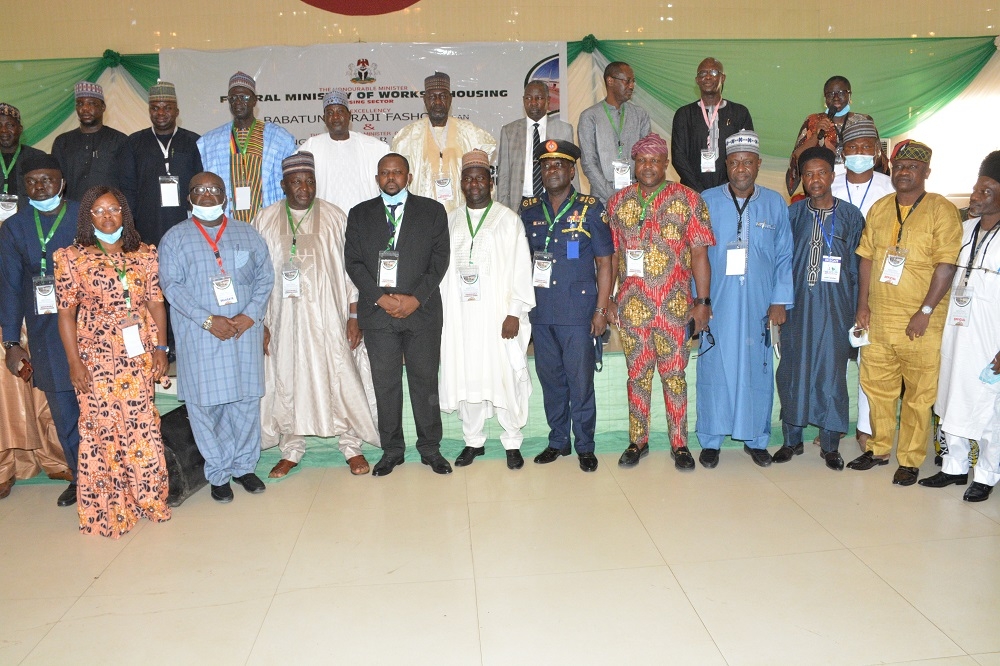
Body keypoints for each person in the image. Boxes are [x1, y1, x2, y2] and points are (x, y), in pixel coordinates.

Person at [54, 186, 171, 537]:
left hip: (137, 356)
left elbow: (155, 304)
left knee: (141, 426)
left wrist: (161, 350)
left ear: (125, 214)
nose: (108, 216)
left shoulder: (145, 254)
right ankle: (110, 508)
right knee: (102, 427)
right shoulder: (71, 258)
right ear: (88, 216)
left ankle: (148, 499)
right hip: (96, 356)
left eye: (115, 209)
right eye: (100, 211)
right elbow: (65, 315)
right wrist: (75, 363)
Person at [255, 152, 380, 478]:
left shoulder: (336, 216)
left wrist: (354, 316)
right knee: (287, 377)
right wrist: (261, 322)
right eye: (296, 182)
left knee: (340, 376)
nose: (304, 188)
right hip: (284, 321)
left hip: (331, 318)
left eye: (309, 181)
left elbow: (354, 271)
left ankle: (351, 446)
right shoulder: (266, 219)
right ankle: (291, 449)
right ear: (283, 185)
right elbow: (256, 276)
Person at [849, 140, 962, 485]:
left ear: (927, 172)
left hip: (921, 321)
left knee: (918, 393)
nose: (903, 173)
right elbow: (866, 257)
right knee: (876, 386)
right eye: (898, 166)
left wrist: (925, 310)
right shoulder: (881, 208)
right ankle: (879, 448)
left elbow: (946, 264)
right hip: (880, 317)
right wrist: (862, 305)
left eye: (912, 168)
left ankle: (910, 459)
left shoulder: (941, 210)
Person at [158, 172, 274, 502]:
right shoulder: (175, 238)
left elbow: (265, 278)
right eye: (200, 190)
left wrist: (249, 315)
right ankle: (218, 473)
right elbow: (172, 287)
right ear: (189, 197)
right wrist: (208, 320)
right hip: (201, 337)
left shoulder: (247, 234)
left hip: (242, 334)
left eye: (215, 190)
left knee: (245, 404)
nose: (208, 195)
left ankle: (244, 467)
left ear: (226, 196)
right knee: (204, 408)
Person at [606, 133, 714, 471]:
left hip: (674, 307)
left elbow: (699, 253)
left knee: (674, 376)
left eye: (655, 160)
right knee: (637, 376)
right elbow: (609, 256)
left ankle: (680, 444)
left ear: (665, 163)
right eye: (642, 161)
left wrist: (703, 301)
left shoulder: (688, 199)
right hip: (632, 308)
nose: (649, 166)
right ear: (634, 165)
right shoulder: (617, 202)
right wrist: (608, 300)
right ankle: (637, 441)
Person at [344, 153, 452, 476]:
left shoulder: (432, 211)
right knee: (385, 384)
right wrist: (381, 298)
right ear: (377, 178)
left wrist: (415, 299)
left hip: (422, 312)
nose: (391, 178)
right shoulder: (360, 214)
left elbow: (440, 259)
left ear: (409, 176)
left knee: (425, 381)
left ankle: (430, 448)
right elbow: (354, 263)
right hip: (379, 315)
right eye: (384, 173)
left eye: (397, 172)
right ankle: (392, 450)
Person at [696, 130, 794, 468]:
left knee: (758, 370)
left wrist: (780, 300)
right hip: (718, 303)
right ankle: (711, 439)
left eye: (748, 162)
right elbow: (694, 255)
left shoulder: (774, 202)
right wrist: (699, 301)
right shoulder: (706, 200)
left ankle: (756, 439)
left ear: (758, 164)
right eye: (735, 162)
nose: (741, 168)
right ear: (727, 164)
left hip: (758, 304)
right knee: (713, 366)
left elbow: (784, 256)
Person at [520, 139, 614, 472]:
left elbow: (606, 262)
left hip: (579, 314)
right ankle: (557, 441)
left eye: (559, 165)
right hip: (541, 313)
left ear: (572, 171)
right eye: (546, 166)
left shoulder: (591, 208)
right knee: (552, 382)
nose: (552, 171)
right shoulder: (529, 209)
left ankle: (585, 445)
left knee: (580, 382)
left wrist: (601, 311)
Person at [439, 150, 534, 470]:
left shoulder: (508, 219)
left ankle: (511, 441)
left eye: (480, 177)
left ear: (490, 182)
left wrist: (514, 312)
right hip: (460, 317)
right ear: (461, 184)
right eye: (468, 178)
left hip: (498, 317)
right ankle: (473, 440)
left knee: (504, 375)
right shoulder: (450, 220)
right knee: (469, 376)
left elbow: (523, 267)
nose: (474, 183)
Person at [773, 147, 865, 471]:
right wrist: (778, 302)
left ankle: (830, 445)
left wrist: (859, 310)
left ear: (832, 175)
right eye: (808, 174)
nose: (815, 179)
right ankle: (791, 441)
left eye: (821, 173)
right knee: (792, 372)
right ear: (802, 178)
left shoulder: (852, 216)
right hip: (797, 307)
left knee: (831, 375)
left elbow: (859, 267)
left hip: (836, 307)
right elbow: (781, 263)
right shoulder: (792, 214)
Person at [0, 153, 82, 506]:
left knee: (100, 408)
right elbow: (10, 285)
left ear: (62, 182)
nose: (40, 186)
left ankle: (112, 475)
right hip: (45, 332)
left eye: (47, 180)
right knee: (64, 411)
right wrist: (11, 341)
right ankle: (81, 478)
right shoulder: (15, 227)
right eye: (32, 182)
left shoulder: (85, 215)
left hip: (92, 329)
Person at [922, 151, 1000, 502]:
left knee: (988, 407)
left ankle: (986, 474)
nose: (975, 196)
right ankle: (953, 467)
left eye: (986, 191)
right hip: (955, 331)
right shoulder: (963, 229)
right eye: (975, 188)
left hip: (990, 338)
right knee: (951, 396)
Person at [830, 117, 895, 453]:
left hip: (877, 281)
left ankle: (866, 427)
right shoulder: (831, 184)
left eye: (865, 147)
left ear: (876, 151)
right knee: (835, 354)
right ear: (843, 152)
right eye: (852, 147)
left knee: (870, 354)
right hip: (836, 282)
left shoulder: (891, 187)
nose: (859, 153)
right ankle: (833, 422)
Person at [197, 71, 296, 223]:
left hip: (269, 223)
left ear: (255, 100)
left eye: (244, 97)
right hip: (227, 225)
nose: (238, 102)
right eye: (233, 98)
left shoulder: (279, 138)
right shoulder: (210, 142)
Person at [391, 72, 497, 213]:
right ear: (424, 100)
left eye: (442, 96)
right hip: (421, 216)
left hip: (461, 214)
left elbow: (483, 179)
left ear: (450, 99)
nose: (438, 102)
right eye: (432, 97)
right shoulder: (407, 136)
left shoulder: (471, 133)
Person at [120, 81, 204, 247]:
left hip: (185, 222)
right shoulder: (134, 142)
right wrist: (130, 226)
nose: (161, 112)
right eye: (155, 107)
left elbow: (200, 182)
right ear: (149, 110)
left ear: (177, 111)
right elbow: (128, 188)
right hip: (146, 225)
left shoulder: (193, 141)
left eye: (167, 107)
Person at [786, 76, 887, 196]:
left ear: (850, 95)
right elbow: (797, 157)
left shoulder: (863, 120)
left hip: (858, 181)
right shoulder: (813, 121)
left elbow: (878, 156)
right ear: (824, 97)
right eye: (830, 94)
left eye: (840, 92)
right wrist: (815, 136)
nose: (836, 97)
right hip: (822, 184)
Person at [670, 58, 754, 193]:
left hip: (730, 191)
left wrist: (724, 189)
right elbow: (678, 157)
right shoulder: (684, 114)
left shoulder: (739, 113)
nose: (708, 77)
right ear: (697, 80)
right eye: (702, 73)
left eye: (714, 72)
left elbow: (746, 155)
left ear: (723, 78)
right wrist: (699, 190)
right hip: (692, 192)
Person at [298, 90, 389, 214]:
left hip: (367, 221)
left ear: (349, 115)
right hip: (326, 223)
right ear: (323, 118)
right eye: (330, 113)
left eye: (340, 111)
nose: (335, 117)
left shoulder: (374, 146)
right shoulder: (311, 146)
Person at [578, 61, 651, 204]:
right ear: (610, 81)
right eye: (627, 81)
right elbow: (588, 162)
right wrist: (612, 196)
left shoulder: (640, 115)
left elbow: (647, 157)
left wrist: (635, 194)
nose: (631, 86)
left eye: (633, 81)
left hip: (635, 196)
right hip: (602, 198)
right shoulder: (590, 116)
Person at [495, 80, 574, 209]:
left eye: (539, 98)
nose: (533, 103)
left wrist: (572, 206)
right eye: (528, 98)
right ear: (523, 100)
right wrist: (503, 210)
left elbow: (570, 173)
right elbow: (503, 176)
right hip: (519, 204)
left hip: (553, 203)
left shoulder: (563, 130)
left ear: (548, 100)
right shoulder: (509, 131)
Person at [51, 82, 128, 201]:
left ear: (103, 107)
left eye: (91, 103)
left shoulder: (119, 140)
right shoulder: (62, 142)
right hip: (72, 212)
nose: (85, 109)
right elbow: (56, 181)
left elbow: (128, 183)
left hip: (108, 213)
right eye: (80, 104)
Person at [0, 103, 46, 220]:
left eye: (9, 125)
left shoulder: (37, 157)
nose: (3, 130)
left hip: (29, 222)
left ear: (20, 129)